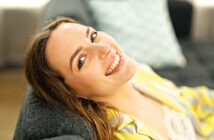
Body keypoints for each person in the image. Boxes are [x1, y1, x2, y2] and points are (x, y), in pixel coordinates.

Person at [25, 16, 214, 140]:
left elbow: (191, 99)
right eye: (81, 60)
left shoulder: (141, 74)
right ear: (69, 92)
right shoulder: (121, 135)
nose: (104, 48)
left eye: (92, 36)